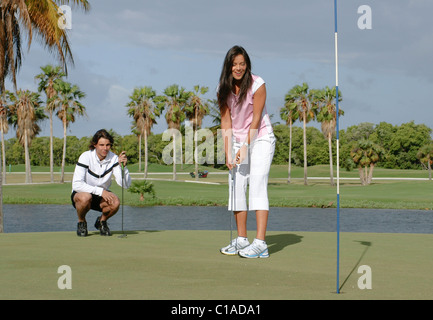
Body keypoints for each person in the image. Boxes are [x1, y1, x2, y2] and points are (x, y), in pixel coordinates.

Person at [217, 45, 276, 258]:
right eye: (234, 64)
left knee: (257, 184)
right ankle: (242, 239)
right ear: (229, 66)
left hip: (260, 137)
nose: (238, 68)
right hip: (238, 140)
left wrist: (245, 147)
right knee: (236, 187)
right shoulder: (223, 88)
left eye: (242, 64)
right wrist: (228, 152)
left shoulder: (258, 84)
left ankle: (260, 243)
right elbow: (226, 120)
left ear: (247, 65)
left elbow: (257, 119)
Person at [71, 129, 131, 237]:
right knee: (85, 197)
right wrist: (100, 191)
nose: (105, 148)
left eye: (108, 145)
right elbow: (77, 184)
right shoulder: (86, 156)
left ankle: (101, 222)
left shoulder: (114, 159)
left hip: (101, 196)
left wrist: (124, 168)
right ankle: (82, 222)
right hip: (82, 193)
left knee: (115, 202)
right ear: (94, 145)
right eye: (101, 145)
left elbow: (125, 185)